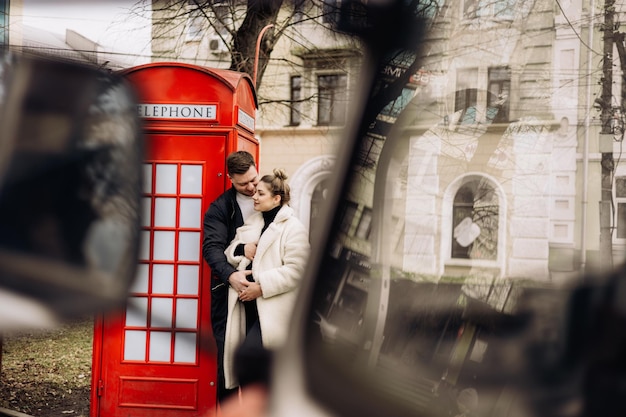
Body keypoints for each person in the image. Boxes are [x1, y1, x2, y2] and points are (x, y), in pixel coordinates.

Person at [223, 168, 310, 391]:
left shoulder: (293, 229)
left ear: (276, 198)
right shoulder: (254, 222)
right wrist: (243, 248)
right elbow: (232, 250)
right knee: (251, 370)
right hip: (247, 308)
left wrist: (261, 287)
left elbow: (298, 270)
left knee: (253, 369)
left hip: (272, 311)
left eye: (260, 193)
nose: (254, 196)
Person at [202, 150, 259, 405]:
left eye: (253, 180)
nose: (251, 187)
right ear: (230, 179)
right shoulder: (220, 207)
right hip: (229, 294)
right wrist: (231, 276)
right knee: (227, 364)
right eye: (243, 183)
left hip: (263, 292)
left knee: (256, 364)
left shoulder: (270, 195)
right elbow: (211, 248)